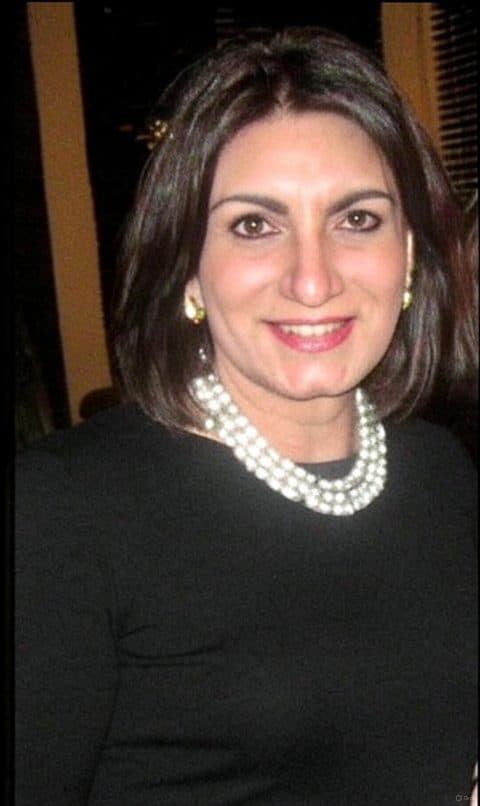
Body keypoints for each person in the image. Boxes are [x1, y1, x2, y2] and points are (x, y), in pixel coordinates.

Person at [15, 27, 477, 805]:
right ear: (188, 270)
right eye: (254, 226)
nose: (311, 280)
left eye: (356, 219)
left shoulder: (443, 473)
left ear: (409, 255)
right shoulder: (62, 513)